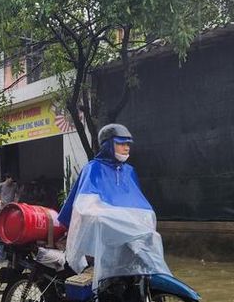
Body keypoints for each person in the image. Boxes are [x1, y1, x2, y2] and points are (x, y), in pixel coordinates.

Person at [58, 123, 171, 288]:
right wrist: (107, 214)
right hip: (104, 232)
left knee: (151, 236)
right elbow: (86, 205)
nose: (126, 148)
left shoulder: (129, 171)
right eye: (121, 143)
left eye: (128, 144)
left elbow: (137, 203)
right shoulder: (93, 168)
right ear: (108, 145)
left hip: (125, 232)